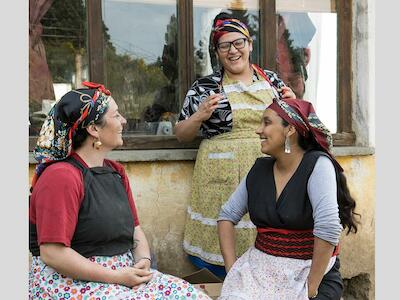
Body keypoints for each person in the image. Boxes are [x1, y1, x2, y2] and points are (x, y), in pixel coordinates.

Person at [29, 81, 211, 300]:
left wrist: (143, 261)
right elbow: (53, 254)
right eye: (116, 116)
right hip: (68, 280)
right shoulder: (61, 177)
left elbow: (135, 230)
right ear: (94, 129)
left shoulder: (115, 172)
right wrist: (116, 277)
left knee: (190, 295)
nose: (123, 120)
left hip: (122, 274)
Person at [174, 12, 296, 278]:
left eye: (238, 42)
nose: (233, 51)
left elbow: (294, 121)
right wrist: (199, 116)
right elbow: (181, 133)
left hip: (269, 170)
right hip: (220, 177)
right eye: (224, 45)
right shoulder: (205, 87)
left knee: (265, 237)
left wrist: (293, 103)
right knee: (223, 232)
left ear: (250, 44)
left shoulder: (273, 81)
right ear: (216, 52)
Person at [217, 98, 359, 299]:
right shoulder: (259, 170)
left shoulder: (317, 165)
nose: (259, 130)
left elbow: (328, 227)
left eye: (266, 123)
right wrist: (232, 271)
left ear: (290, 130)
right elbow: (226, 216)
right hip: (260, 274)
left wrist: (311, 288)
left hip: (311, 273)